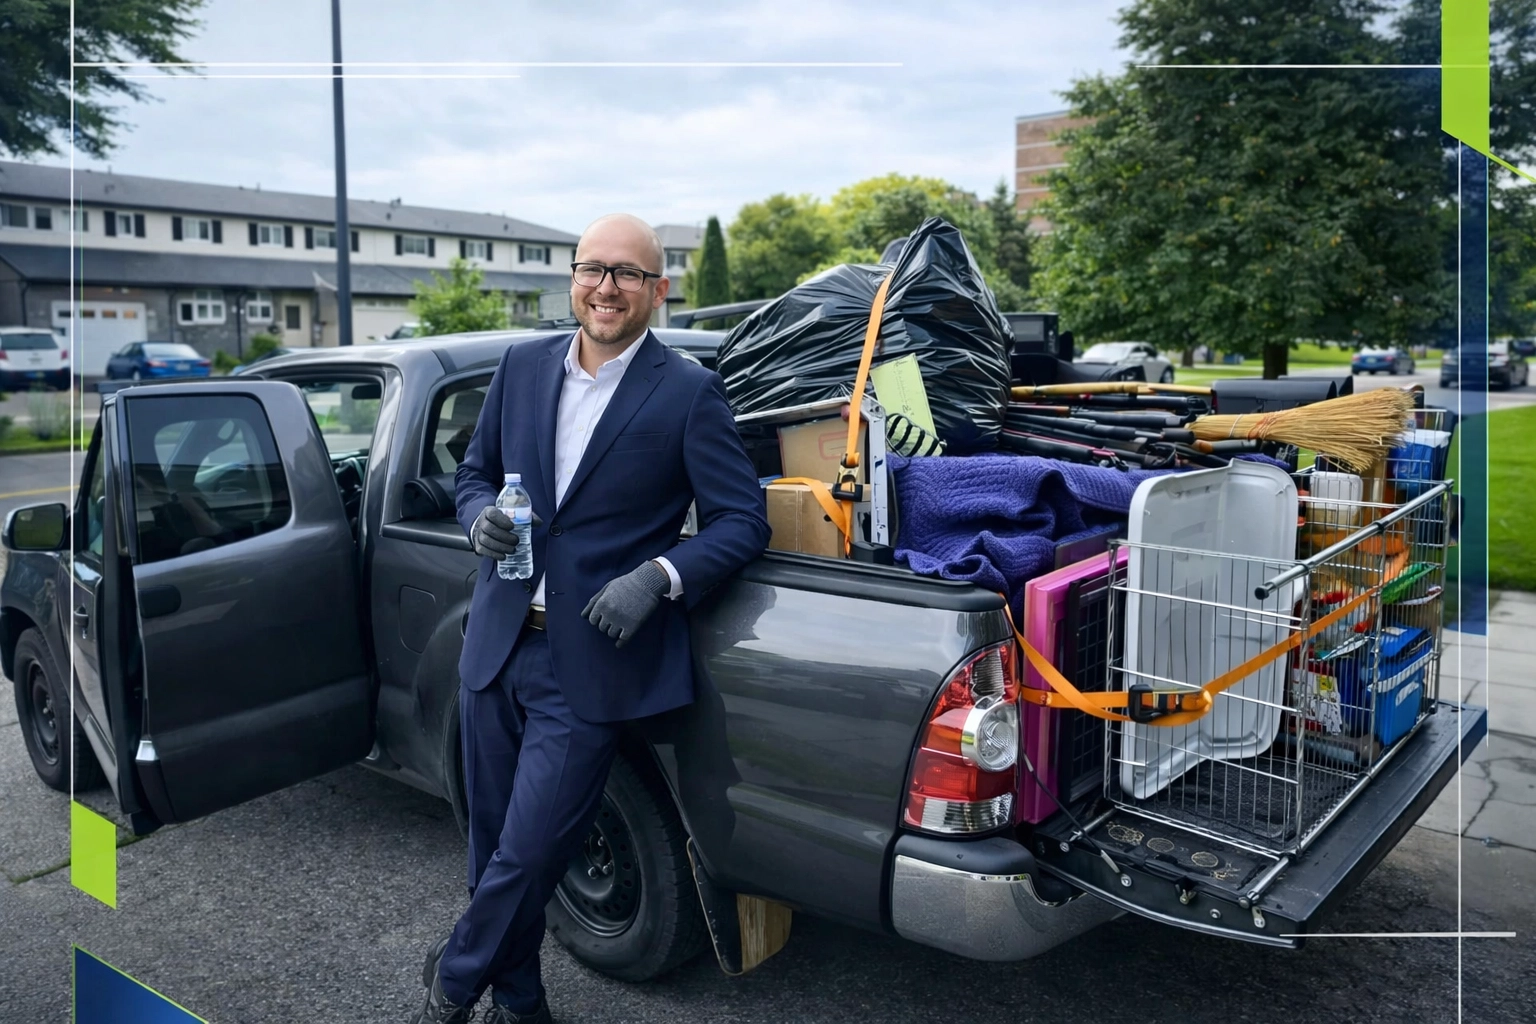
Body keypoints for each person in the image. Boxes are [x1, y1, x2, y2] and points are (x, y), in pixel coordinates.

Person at [412, 214, 772, 1024]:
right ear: (572, 279)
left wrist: (660, 575)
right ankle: (521, 1001)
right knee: (492, 849)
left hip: (592, 666)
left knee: (533, 849)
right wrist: (476, 518)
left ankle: (452, 981)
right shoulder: (523, 365)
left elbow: (741, 521)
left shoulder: (686, 391)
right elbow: (472, 471)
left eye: (628, 274)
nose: (607, 287)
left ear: (657, 290)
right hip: (496, 645)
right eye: (592, 270)